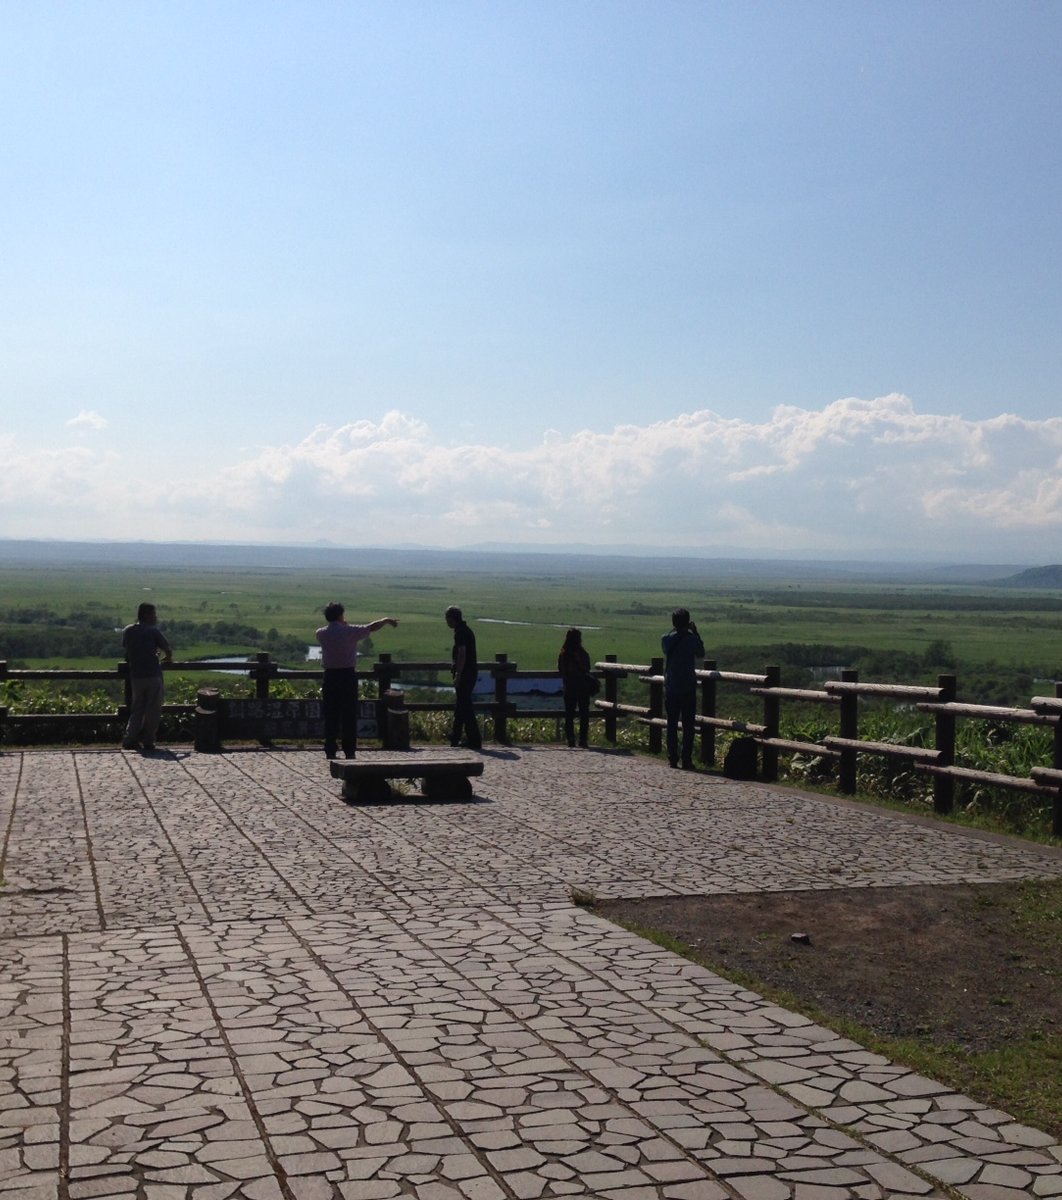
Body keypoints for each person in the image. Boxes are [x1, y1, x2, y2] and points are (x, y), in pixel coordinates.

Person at [316, 603, 399, 759]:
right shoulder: (349, 632)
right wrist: (387, 620)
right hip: (347, 675)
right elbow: (371, 627)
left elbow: (329, 631)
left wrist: (341, 624)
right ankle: (349, 749)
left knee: (331, 714)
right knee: (349, 714)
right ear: (341, 615)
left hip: (330, 676)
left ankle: (330, 748)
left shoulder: (321, 633)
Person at [121, 602, 172, 754]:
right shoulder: (153, 632)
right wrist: (166, 659)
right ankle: (148, 740)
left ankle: (130, 739)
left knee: (137, 708)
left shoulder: (128, 630)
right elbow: (168, 650)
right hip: (153, 675)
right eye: (153, 614)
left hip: (136, 676)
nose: (156, 617)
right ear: (146, 615)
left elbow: (126, 648)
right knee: (153, 709)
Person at [661, 607, 705, 769]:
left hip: (671, 686)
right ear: (687, 622)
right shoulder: (692, 639)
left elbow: (666, 648)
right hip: (688, 686)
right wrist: (695, 632)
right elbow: (701, 652)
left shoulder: (666, 639)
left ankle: (673, 757)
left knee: (671, 724)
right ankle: (686, 759)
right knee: (688, 725)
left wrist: (676, 629)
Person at [445, 605, 481, 750]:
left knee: (465, 708)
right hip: (470, 673)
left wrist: (458, 674)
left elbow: (462, 654)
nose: (446, 622)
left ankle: (474, 739)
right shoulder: (466, 630)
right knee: (461, 706)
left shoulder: (460, 633)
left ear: (452, 619)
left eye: (447, 618)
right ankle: (455, 737)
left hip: (465, 674)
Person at [557, 627, 592, 748]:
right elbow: (588, 668)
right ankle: (583, 739)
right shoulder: (583, 653)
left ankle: (570, 738)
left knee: (569, 714)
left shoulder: (564, 654)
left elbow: (561, 670)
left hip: (570, 686)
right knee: (584, 714)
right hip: (583, 686)